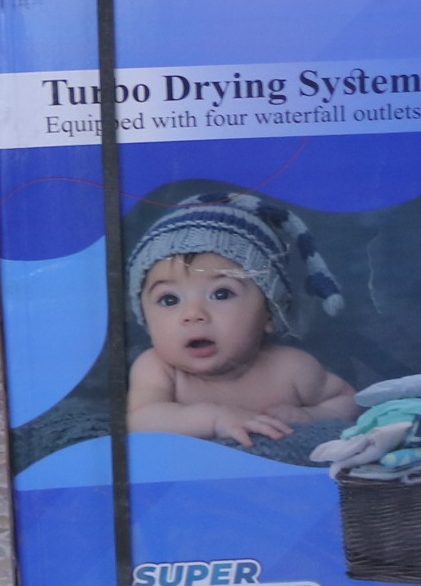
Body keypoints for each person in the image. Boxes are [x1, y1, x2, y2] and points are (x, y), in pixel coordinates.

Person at [125, 192, 358, 448]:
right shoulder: (157, 369)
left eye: (221, 294)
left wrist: (312, 415)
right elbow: (141, 420)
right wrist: (215, 418)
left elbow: (348, 401)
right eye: (169, 299)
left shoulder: (292, 369)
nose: (193, 314)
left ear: (269, 313)